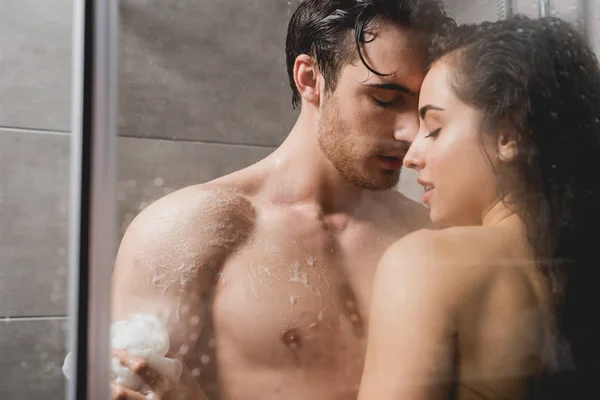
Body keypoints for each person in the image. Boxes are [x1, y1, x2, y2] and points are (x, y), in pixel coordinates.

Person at [110, 1, 455, 399]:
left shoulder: (428, 233)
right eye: (384, 99)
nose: (411, 131)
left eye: (421, 106)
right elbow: (126, 386)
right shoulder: (188, 232)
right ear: (310, 78)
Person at [357, 15, 600, 400]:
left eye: (434, 129)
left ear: (508, 134)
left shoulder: (428, 263)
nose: (411, 156)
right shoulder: (578, 268)